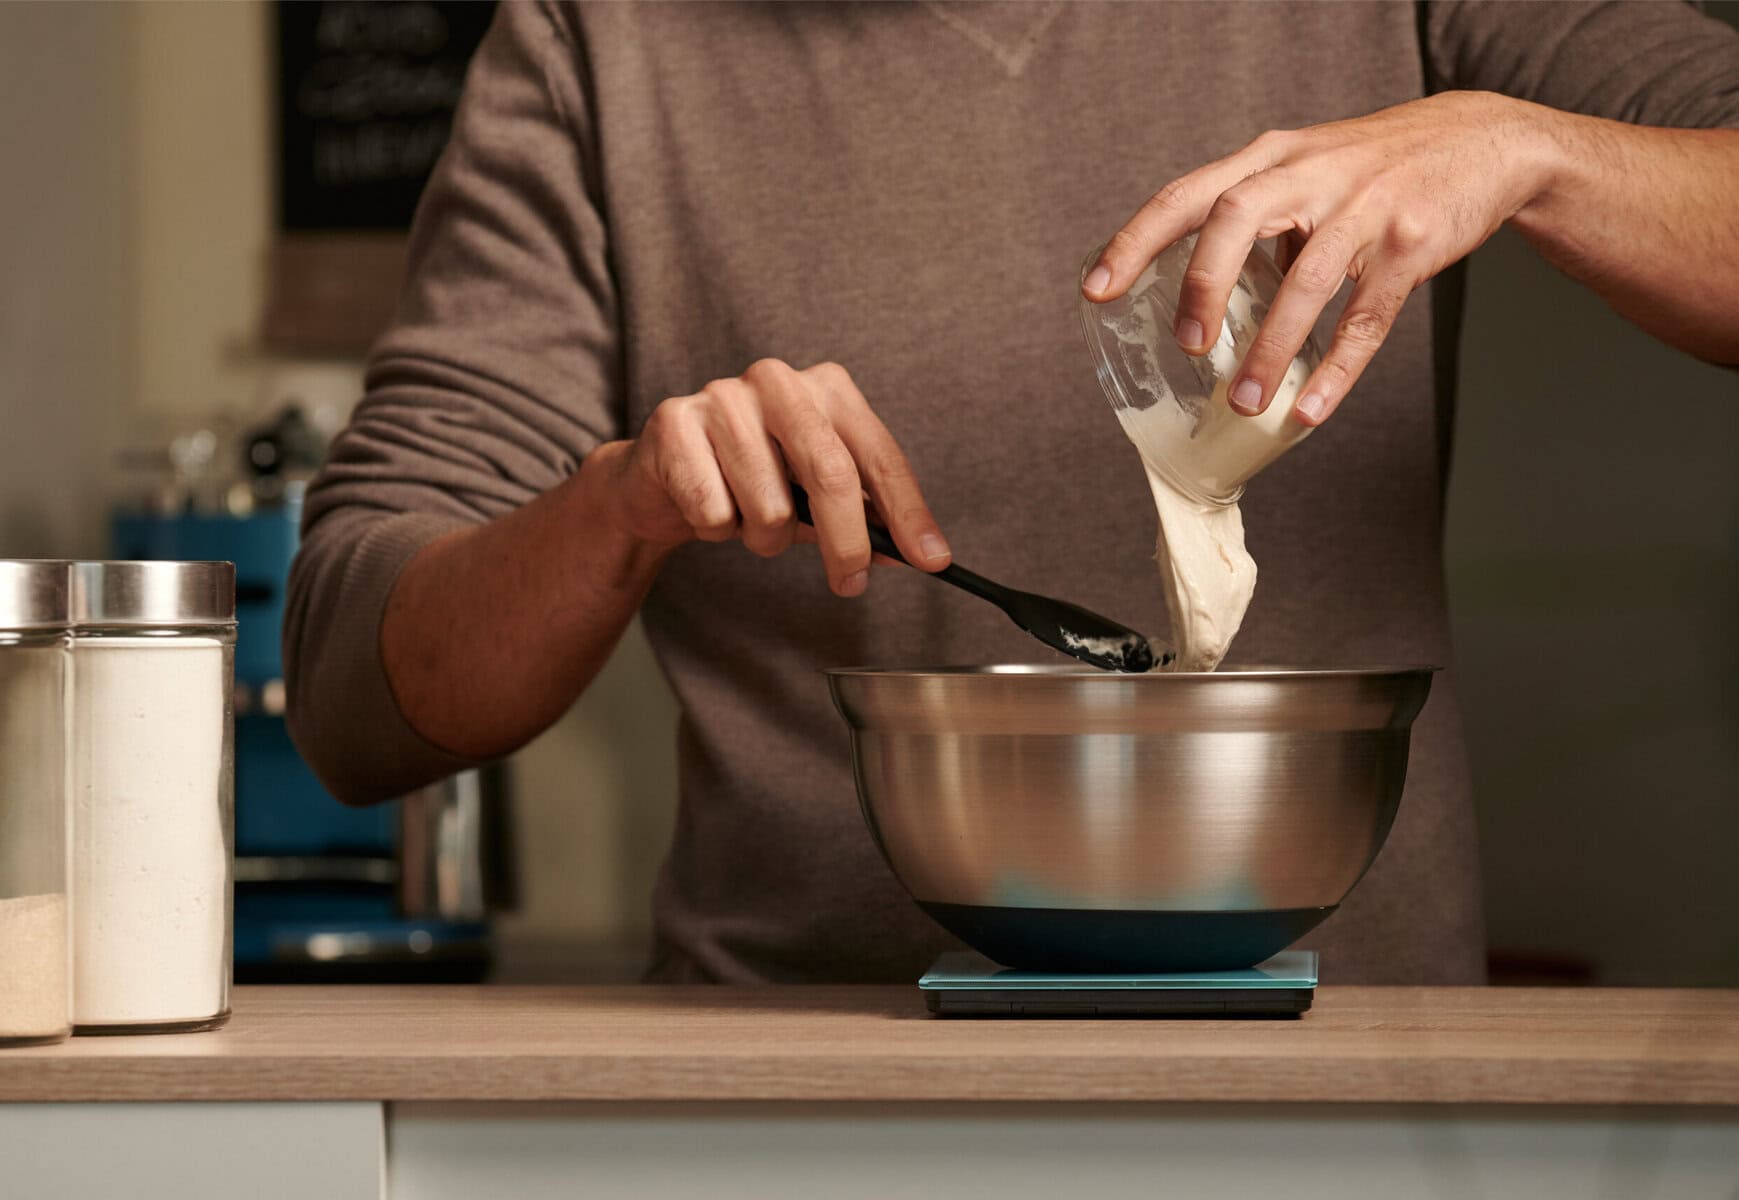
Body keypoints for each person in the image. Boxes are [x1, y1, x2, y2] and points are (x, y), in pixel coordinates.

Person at [285, 1, 1739, 984]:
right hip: (792, 1099)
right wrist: (619, 508)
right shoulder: (599, 41)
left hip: (1355, 1088)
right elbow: (354, 693)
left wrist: (1536, 149)